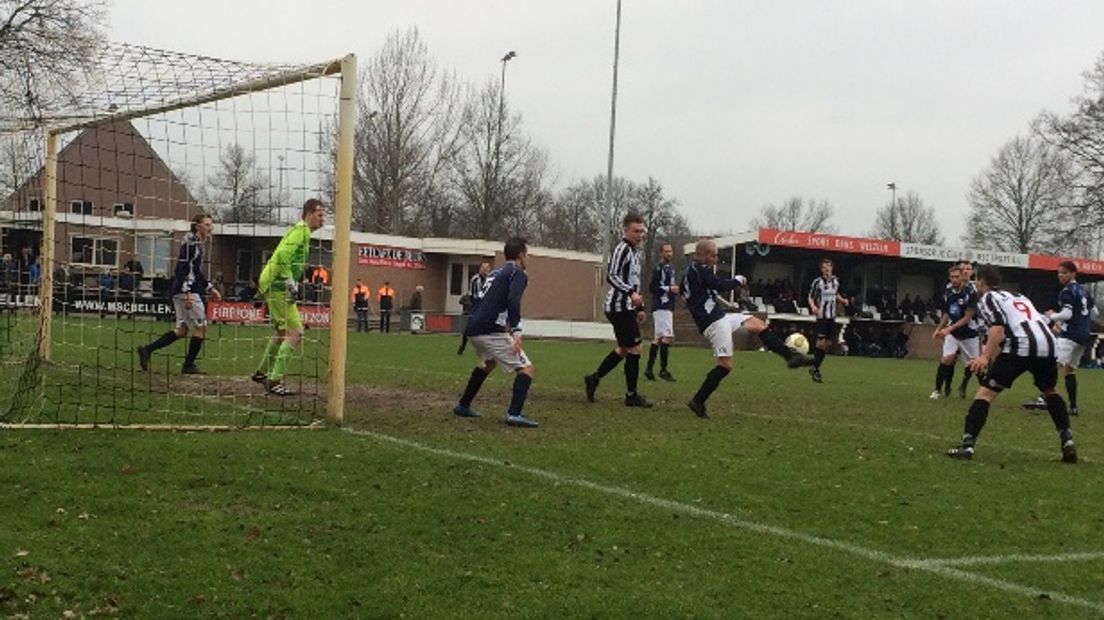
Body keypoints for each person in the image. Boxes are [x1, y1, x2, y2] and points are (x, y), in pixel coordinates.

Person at [946, 265, 1077, 463]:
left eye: (976, 281)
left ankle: (967, 446)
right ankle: (1067, 442)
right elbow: (1050, 325)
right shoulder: (1020, 297)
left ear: (981, 281)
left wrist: (984, 357)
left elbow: (997, 329)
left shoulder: (988, 299)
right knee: (1050, 391)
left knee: (985, 394)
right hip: (1048, 346)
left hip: (1020, 346)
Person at [683, 240, 815, 418]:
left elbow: (696, 291)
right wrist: (737, 280)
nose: (716, 258)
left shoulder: (694, 271)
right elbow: (720, 285)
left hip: (719, 317)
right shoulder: (698, 270)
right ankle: (698, 401)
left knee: (757, 323)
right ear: (705, 255)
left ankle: (791, 357)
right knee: (725, 366)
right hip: (713, 323)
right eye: (714, 255)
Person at [452, 237, 539, 428]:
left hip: (473, 327)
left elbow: (486, 300)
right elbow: (513, 300)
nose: (528, 257)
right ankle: (514, 414)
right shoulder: (518, 272)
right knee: (526, 369)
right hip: (489, 329)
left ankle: (463, 405)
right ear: (520, 255)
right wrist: (517, 331)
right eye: (526, 253)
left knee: (488, 364)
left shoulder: (495, 273)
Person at [252, 199, 326, 395]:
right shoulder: (301, 231)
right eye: (320, 214)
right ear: (309, 213)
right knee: (296, 333)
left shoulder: (301, 231)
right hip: (277, 284)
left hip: (272, 281)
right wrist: (288, 280)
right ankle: (274, 381)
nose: (323, 218)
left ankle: (262, 372)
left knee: (281, 331)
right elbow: (282, 255)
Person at [137, 213, 221, 375]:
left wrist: (210, 288)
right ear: (197, 226)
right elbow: (182, 269)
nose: (210, 228)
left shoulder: (196, 244)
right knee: (201, 327)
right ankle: (188, 365)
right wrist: (188, 293)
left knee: (182, 330)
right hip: (185, 291)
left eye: (211, 225)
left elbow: (195, 271)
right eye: (207, 225)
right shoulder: (191, 245)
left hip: (180, 290)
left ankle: (147, 350)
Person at [584, 213, 652, 408]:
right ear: (625, 230)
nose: (639, 235)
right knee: (635, 348)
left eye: (641, 231)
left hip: (627, 306)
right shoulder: (622, 249)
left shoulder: (635, 253)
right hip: (618, 306)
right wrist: (630, 293)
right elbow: (611, 276)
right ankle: (631, 395)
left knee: (624, 349)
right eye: (635, 231)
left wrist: (639, 307)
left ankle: (594, 378)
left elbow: (634, 281)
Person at [1041, 261, 1098, 416]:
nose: (1060, 275)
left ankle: (1043, 398)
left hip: (1071, 334)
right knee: (1069, 370)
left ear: (1073, 273)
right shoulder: (1083, 290)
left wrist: (1051, 316)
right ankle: (1073, 406)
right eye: (1059, 272)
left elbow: (1067, 315)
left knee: (1053, 362)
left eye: (1064, 272)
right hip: (1084, 335)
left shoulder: (1067, 291)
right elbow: (1094, 313)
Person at [930, 264, 979, 399]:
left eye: (957, 277)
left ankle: (979, 391)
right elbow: (947, 314)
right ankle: (937, 390)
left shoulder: (970, 293)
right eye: (952, 277)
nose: (954, 280)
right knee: (946, 359)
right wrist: (939, 329)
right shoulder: (948, 292)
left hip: (969, 333)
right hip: (953, 333)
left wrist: (947, 329)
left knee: (975, 365)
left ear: (962, 276)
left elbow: (967, 318)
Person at [807, 258, 848, 383]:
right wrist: (813, 307)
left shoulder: (836, 281)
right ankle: (815, 367)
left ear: (832, 268)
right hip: (822, 316)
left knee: (828, 344)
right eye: (824, 267)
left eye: (829, 266)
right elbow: (810, 297)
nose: (827, 268)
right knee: (820, 342)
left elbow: (835, 293)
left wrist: (842, 300)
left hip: (832, 316)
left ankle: (815, 366)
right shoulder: (817, 282)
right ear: (821, 270)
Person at [645, 243, 679, 382]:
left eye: (670, 251)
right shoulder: (658, 268)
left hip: (667, 306)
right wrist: (669, 290)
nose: (669, 254)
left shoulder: (670, 268)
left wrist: (675, 290)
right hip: (661, 306)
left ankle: (649, 369)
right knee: (667, 337)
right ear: (661, 253)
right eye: (666, 251)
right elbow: (653, 287)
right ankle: (663, 370)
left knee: (658, 338)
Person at [458, 260, 491, 355]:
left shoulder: (490, 279)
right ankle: (463, 345)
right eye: (483, 268)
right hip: (476, 304)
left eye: (487, 268)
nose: (485, 270)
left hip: (486, 305)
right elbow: (474, 295)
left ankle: (486, 348)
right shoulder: (475, 279)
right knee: (469, 328)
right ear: (480, 269)